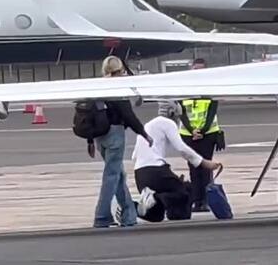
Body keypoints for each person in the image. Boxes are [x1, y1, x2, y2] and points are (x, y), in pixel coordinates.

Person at [127, 100, 222, 222]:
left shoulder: (148, 125)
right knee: (184, 193)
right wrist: (204, 163)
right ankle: (154, 197)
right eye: (178, 116)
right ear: (172, 113)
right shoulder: (167, 123)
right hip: (155, 170)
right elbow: (182, 148)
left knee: (156, 215)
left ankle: (132, 207)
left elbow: (134, 155)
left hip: (140, 175)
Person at [93, 56, 153, 228]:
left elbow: (90, 113)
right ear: (119, 70)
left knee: (119, 175)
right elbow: (128, 115)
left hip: (99, 136)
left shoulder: (96, 85)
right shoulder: (116, 87)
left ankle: (129, 215)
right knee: (111, 176)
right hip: (114, 134)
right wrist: (144, 134)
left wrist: (90, 140)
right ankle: (102, 216)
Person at [179, 58, 225, 212]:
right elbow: (181, 113)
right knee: (193, 167)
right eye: (195, 69)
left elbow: (212, 111)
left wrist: (202, 131)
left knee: (205, 167)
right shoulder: (183, 88)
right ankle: (196, 200)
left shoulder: (210, 87)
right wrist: (192, 130)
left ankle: (205, 199)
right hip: (188, 133)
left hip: (207, 134)